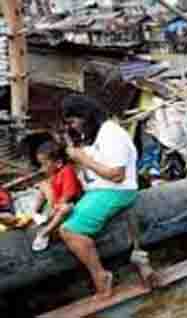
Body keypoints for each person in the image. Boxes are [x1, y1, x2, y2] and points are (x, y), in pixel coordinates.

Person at [59, 94, 138, 300]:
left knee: (70, 231)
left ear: (85, 116)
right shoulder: (96, 135)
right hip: (100, 191)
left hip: (117, 190)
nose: (74, 127)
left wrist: (83, 159)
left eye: (73, 121)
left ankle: (101, 276)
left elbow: (117, 175)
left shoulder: (111, 133)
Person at [32, 141, 83, 251]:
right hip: (58, 203)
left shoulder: (67, 171)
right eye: (41, 164)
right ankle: (34, 213)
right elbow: (53, 191)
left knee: (65, 209)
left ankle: (45, 232)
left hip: (73, 204)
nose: (42, 168)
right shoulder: (55, 173)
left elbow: (69, 195)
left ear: (59, 163)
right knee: (42, 185)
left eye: (44, 164)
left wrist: (56, 207)